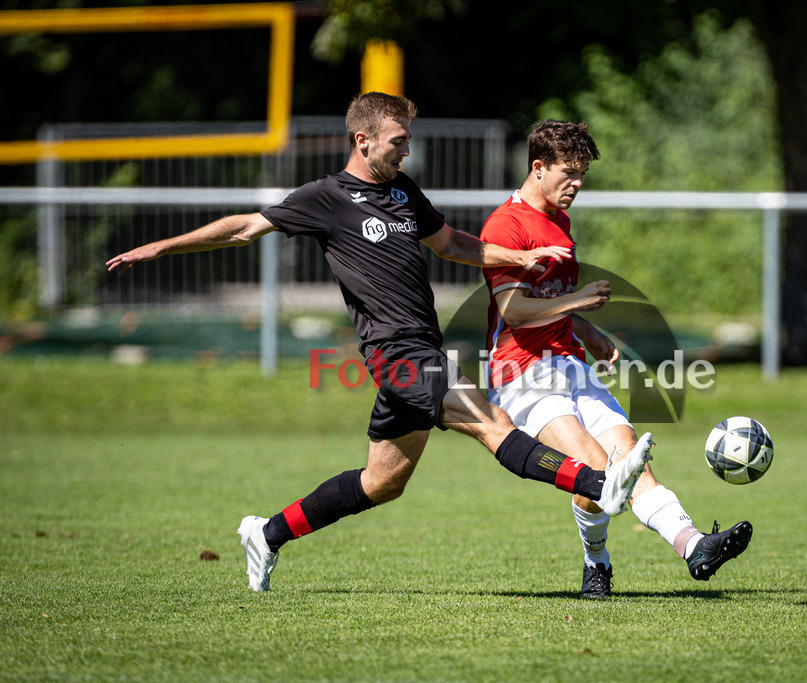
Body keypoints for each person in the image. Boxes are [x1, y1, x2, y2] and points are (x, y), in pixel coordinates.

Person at [106, 93, 653, 592]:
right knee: (492, 422)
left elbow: (451, 244)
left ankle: (266, 534)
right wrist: (160, 248)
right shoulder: (326, 197)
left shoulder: (402, 190)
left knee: (382, 482)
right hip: (396, 355)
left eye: (408, 141)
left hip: (424, 347)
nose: (407, 151)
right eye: (398, 141)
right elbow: (244, 227)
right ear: (362, 140)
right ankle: (598, 482)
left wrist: (518, 256)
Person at [478, 120, 753, 598]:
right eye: (568, 173)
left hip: (568, 362)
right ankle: (597, 564)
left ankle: (694, 546)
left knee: (629, 461)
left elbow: (552, 300)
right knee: (595, 472)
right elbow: (513, 311)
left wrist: (588, 331)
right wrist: (579, 301)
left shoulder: (559, 221)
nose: (577, 184)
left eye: (582, 174)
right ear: (538, 167)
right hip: (521, 373)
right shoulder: (506, 225)